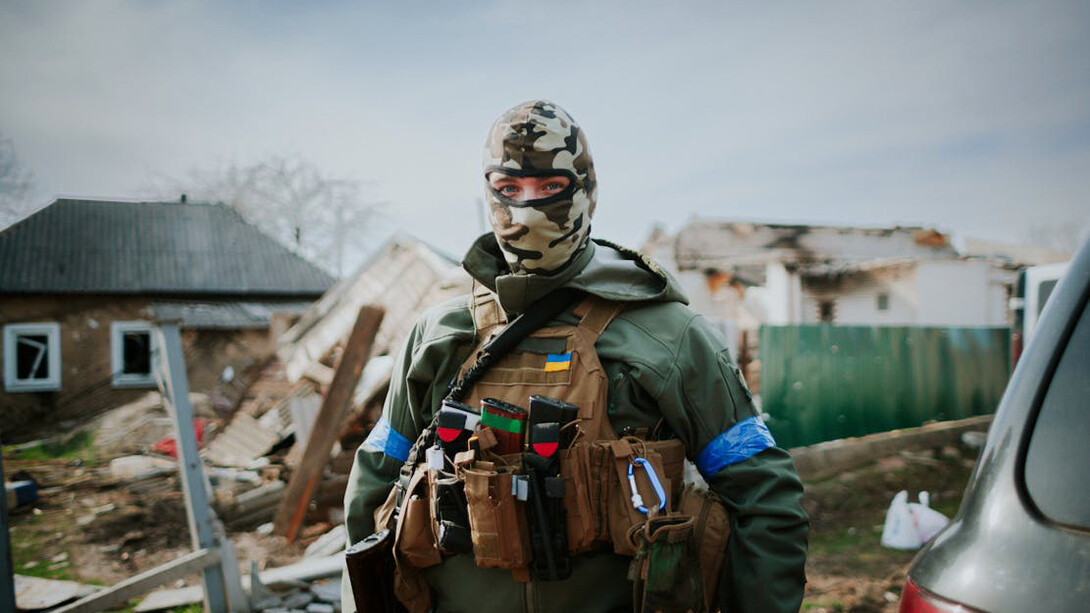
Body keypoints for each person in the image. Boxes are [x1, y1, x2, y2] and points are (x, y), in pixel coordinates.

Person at [343, 100, 808, 613]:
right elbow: (373, 486)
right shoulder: (439, 336)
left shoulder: (667, 337)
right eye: (508, 189)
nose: (526, 209)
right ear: (488, 194)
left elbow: (762, 493)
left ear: (585, 192)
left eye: (550, 188)